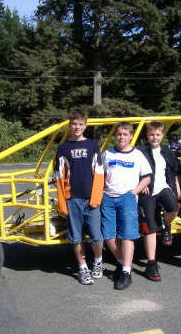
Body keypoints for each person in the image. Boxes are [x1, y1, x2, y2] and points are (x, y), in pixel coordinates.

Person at [55, 109, 105, 285]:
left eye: (80, 124)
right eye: (74, 123)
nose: (77, 127)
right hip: (72, 199)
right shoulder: (63, 148)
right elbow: (59, 178)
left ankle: (98, 262)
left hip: (91, 198)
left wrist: (96, 198)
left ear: (85, 125)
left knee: (96, 236)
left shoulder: (92, 145)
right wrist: (63, 202)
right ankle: (83, 268)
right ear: (70, 125)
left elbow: (99, 173)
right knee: (76, 237)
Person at [101, 122, 152, 290]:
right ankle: (122, 262)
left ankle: (126, 272)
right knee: (108, 236)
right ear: (115, 136)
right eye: (119, 134)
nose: (121, 137)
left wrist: (135, 191)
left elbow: (147, 177)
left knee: (127, 236)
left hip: (127, 198)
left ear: (130, 136)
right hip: (108, 198)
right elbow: (100, 175)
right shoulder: (107, 153)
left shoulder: (137, 155)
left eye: (125, 134)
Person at [137, 122, 181, 281]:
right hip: (148, 191)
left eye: (157, 135)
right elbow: (133, 169)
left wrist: (176, 187)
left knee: (175, 207)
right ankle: (151, 263)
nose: (154, 137)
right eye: (151, 135)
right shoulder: (140, 151)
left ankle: (166, 225)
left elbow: (175, 170)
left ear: (162, 136)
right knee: (149, 227)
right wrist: (140, 184)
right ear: (147, 136)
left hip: (163, 187)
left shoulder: (167, 152)